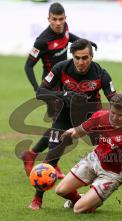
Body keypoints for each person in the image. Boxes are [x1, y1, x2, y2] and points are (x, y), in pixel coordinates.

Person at [28, 38, 117, 210]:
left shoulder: (101, 74)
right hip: (64, 117)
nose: (81, 62)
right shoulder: (61, 68)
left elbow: (114, 100)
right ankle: (37, 199)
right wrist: (63, 95)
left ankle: (92, 195)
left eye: (85, 58)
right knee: (51, 157)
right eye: (77, 57)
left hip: (92, 119)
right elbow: (40, 92)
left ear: (91, 57)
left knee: (106, 157)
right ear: (72, 56)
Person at [21, 2, 97, 178]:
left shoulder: (65, 29)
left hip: (65, 85)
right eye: (54, 19)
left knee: (61, 128)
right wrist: (36, 88)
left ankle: (34, 156)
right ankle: (47, 162)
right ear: (48, 19)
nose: (58, 23)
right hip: (51, 88)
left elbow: (69, 37)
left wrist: (86, 43)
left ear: (65, 19)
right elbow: (28, 66)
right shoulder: (42, 41)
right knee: (60, 127)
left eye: (61, 19)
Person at [55, 93, 122, 213]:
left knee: (78, 209)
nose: (114, 117)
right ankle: (83, 200)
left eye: (119, 115)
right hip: (95, 158)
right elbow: (81, 131)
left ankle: (92, 201)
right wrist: (72, 131)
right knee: (61, 190)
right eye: (113, 113)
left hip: (113, 173)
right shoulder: (100, 116)